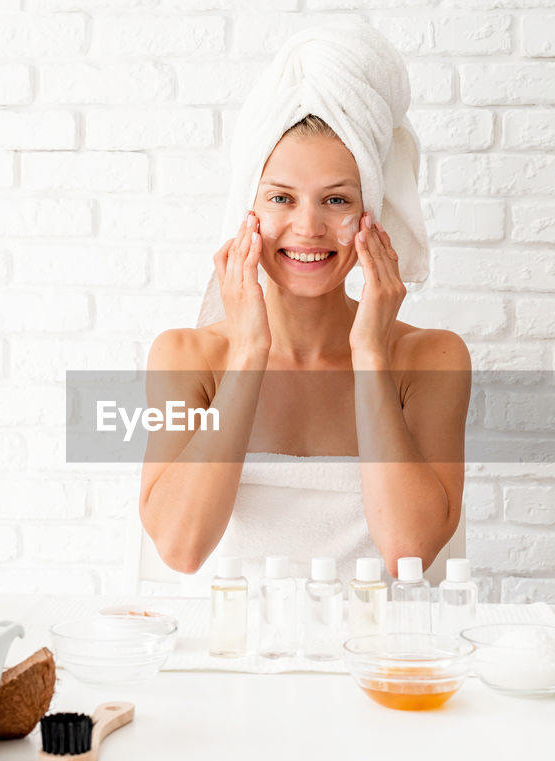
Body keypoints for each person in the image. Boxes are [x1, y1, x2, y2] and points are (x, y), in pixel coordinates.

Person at [138, 24, 470, 588]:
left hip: (377, 665)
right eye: (281, 198)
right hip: (230, 661)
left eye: (337, 199)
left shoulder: (430, 358)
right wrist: (249, 352)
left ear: (373, 214)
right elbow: (181, 547)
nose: (308, 228)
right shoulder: (185, 356)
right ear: (250, 211)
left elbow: (407, 552)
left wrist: (369, 352)